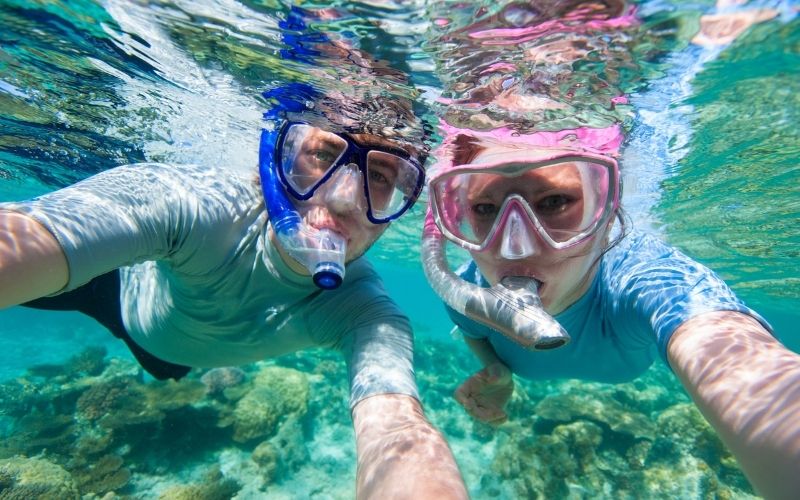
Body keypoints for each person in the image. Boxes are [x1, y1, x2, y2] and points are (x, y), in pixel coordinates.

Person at [0, 77, 468, 498]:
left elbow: (396, 431)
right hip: (114, 292)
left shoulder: (366, 312)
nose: (345, 199)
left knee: (167, 370)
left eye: (383, 178)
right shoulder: (190, 206)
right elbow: (29, 236)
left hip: (168, 356)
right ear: (275, 158)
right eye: (323, 154)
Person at [421, 1, 800, 498]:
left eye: (555, 201)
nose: (513, 248)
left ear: (608, 211)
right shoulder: (467, 286)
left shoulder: (643, 276)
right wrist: (494, 372)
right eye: (486, 208)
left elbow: (736, 361)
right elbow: (474, 327)